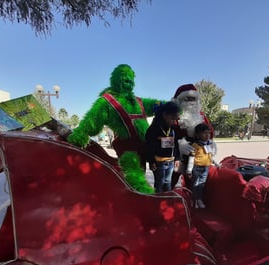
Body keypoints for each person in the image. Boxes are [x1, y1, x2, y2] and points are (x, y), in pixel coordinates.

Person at [67, 64, 164, 193]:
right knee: (136, 181)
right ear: (116, 80)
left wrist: (172, 105)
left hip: (147, 149)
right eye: (125, 80)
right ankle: (146, 201)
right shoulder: (106, 102)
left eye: (131, 80)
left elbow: (156, 105)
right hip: (128, 151)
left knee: (158, 177)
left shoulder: (138, 101)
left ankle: (150, 200)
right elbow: (91, 121)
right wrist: (78, 136)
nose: (128, 83)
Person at [170, 84, 214, 187]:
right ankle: (166, 195)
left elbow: (210, 132)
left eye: (193, 99)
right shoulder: (175, 116)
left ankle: (193, 197)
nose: (191, 102)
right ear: (179, 101)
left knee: (193, 179)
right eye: (187, 99)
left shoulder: (201, 116)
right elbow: (169, 134)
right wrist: (180, 143)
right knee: (172, 177)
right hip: (179, 154)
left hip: (196, 154)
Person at [145, 102, 180, 193]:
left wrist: (177, 158)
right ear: (164, 115)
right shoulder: (154, 129)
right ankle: (158, 202)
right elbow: (149, 146)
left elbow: (175, 144)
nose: (174, 122)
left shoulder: (172, 129)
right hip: (159, 163)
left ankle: (166, 201)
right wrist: (151, 161)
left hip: (170, 162)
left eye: (175, 119)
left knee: (168, 183)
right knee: (159, 184)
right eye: (172, 119)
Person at [185, 123, 219, 209]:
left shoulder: (208, 144)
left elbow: (209, 155)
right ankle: (193, 200)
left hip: (206, 168)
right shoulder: (195, 146)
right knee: (195, 184)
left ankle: (199, 199)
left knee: (201, 185)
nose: (207, 135)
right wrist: (189, 170)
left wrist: (215, 163)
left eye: (208, 132)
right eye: (205, 133)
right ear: (197, 134)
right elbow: (191, 158)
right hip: (197, 168)